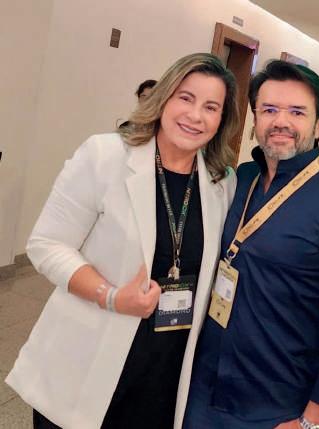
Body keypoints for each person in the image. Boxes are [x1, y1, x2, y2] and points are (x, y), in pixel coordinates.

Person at [6, 52, 240, 429]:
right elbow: (47, 244)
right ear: (163, 97)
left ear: (222, 120)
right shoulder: (105, 155)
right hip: (86, 360)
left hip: (164, 372)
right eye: (185, 98)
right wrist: (111, 295)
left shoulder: (220, 181)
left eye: (211, 107)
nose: (196, 115)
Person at [182, 60, 319, 429]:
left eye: (297, 112)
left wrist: (313, 419)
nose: (281, 121)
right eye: (269, 110)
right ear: (255, 118)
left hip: (274, 404)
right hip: (201, 386)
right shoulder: (241, 179)